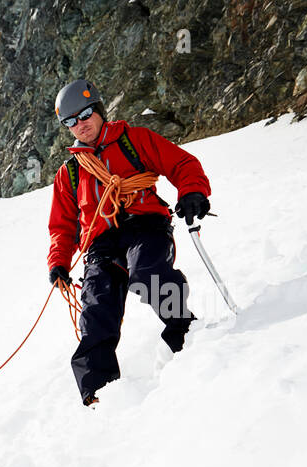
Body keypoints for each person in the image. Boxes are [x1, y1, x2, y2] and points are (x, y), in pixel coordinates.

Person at [46, 78, 213, 406]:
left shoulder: (134, 140)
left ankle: (185, 335)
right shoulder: (70, 173)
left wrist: (192, 191)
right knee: (96, 310)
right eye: (70, 122)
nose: (80, 125)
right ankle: (99, 396)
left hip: (145, 224)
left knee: (148, 273)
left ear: (98, 110)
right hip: (100, 244)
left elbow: (181, 164)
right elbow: (62, 227)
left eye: (84, 115)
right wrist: (59, 262)